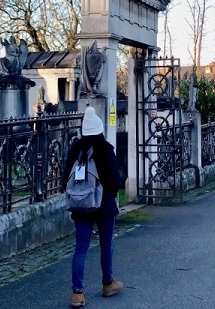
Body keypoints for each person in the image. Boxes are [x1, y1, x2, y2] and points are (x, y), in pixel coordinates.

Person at [63, 106, 124, 307]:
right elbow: (115, 180)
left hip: (81, 204)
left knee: (80, 248)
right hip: (104, 204)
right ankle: (108, 283)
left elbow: (65, 179)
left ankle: (77, 293)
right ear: (100, 130)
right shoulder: (105, 150)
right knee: (106, 244)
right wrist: (111, 194)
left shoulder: (76, 150)